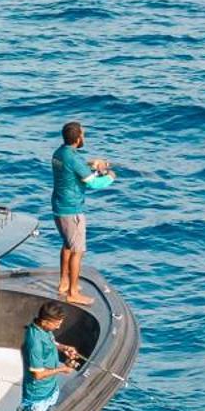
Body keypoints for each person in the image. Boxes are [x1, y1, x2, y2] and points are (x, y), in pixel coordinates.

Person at [5, 299, 82, 411]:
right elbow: (38, 375)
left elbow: (52, 343)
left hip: (50, 389)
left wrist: (65, 348)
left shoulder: (45, 330)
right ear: (45, 321)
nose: (59, 326)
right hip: (37, 396)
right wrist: (62, 369)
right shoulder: (35, 343)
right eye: (56, 323)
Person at [51, 120, 112, 307]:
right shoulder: (74, 158)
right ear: (78, 139)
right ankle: (72, 293)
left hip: (58, 206)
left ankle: (64, 283)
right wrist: (109, 177)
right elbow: (92, 183)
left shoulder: (59, 153)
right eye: (83, 134)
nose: (83, 137)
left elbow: (73, 168)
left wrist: (92, 165)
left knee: (68, 245)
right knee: (78, 250)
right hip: (72, 211)